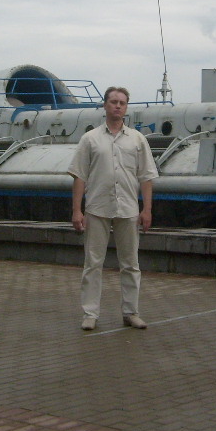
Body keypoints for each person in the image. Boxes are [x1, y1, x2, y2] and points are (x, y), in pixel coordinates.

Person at [68, 86, 159, 331]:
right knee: (93, 263)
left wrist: (146, 209)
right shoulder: (90, 139)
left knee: (130, 263)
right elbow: (79, 176)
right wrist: (77, 210)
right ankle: (90, 313)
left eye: (122, 102)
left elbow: (146, 177)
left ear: (126, 107)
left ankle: (131, 312)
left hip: (128, 209)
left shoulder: (138, 140)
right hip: (97, 207)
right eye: (114, 102)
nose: (118, 106)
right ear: (105, 105)